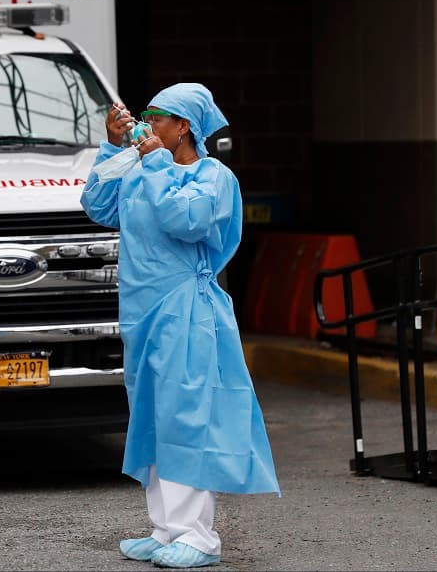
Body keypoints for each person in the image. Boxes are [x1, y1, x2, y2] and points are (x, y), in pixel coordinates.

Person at [80, 83, 280, 569]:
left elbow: (185, 221)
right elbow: (99, 206)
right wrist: (112, 145)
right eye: (143, 113)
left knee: (187, 415)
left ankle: (199, 536)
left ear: (183, 125)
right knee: (151, 414)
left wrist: (156, 166)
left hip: (186, 308)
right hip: (141, 311)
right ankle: (166, 529)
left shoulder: (212, 177)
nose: (145, 122)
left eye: (156, 115)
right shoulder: (142, 167)